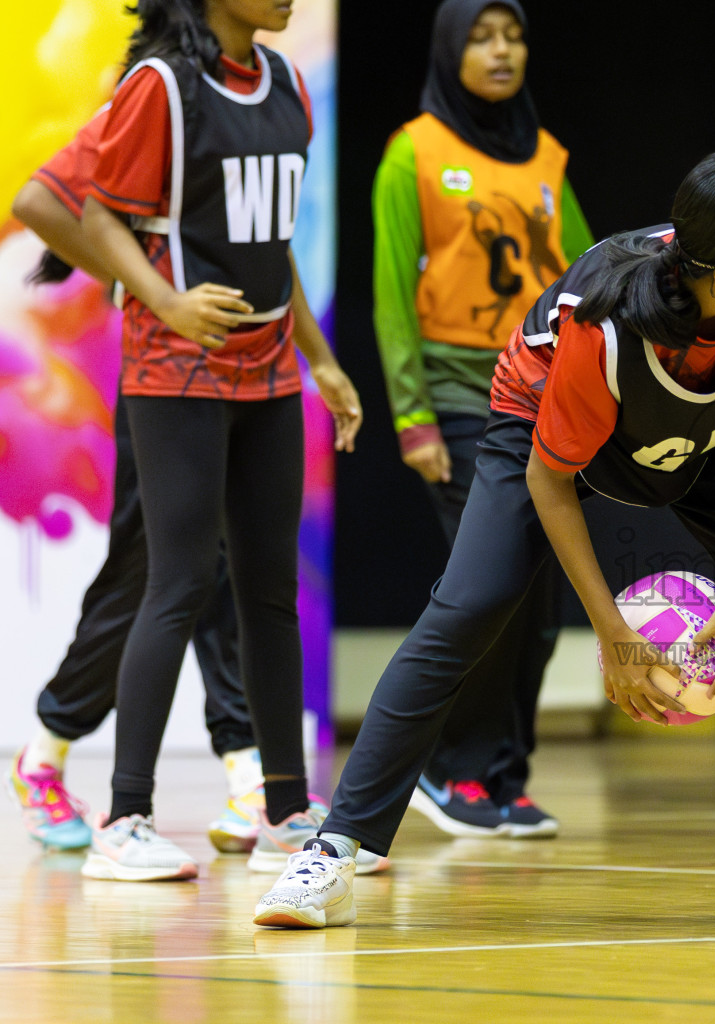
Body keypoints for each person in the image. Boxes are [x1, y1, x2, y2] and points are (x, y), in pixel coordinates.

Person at [253, 152, 715, 929]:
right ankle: (331, 853)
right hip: (546, 437)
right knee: (471, 607)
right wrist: (615, 635)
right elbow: (550, 479)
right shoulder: (606, 329)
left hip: (707, 438)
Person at [78, 0, 367, 881]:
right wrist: (165, 302)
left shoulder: (285, 81)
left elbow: (266, 240)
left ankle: (285, 808)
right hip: (176, 372)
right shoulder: (162, 85)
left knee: (271, 593)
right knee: (179, 582)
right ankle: (123, 819)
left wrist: (322, 360)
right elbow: (91, 214)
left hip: (272, 370)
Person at [8, 107, 268, 857]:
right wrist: (153, 291)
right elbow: (37, 202)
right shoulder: (159, 91)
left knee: (208, 562)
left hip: (241, 373)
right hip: (160, 377)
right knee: (156, 569)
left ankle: (247, 770)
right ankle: (50, 757)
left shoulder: (261, 95)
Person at [372, 0, 595, 838]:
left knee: (538, 598)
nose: (502, 52)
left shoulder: (546, 157)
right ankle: (451, 769)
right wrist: (412, 416)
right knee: (492, 585)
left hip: (542, 392)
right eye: (482, 37)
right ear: (449, 51)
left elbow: (590, 268)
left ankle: (504, 774)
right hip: (460, 393)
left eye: (514, 36)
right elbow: (393, 292)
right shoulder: (413, 153)